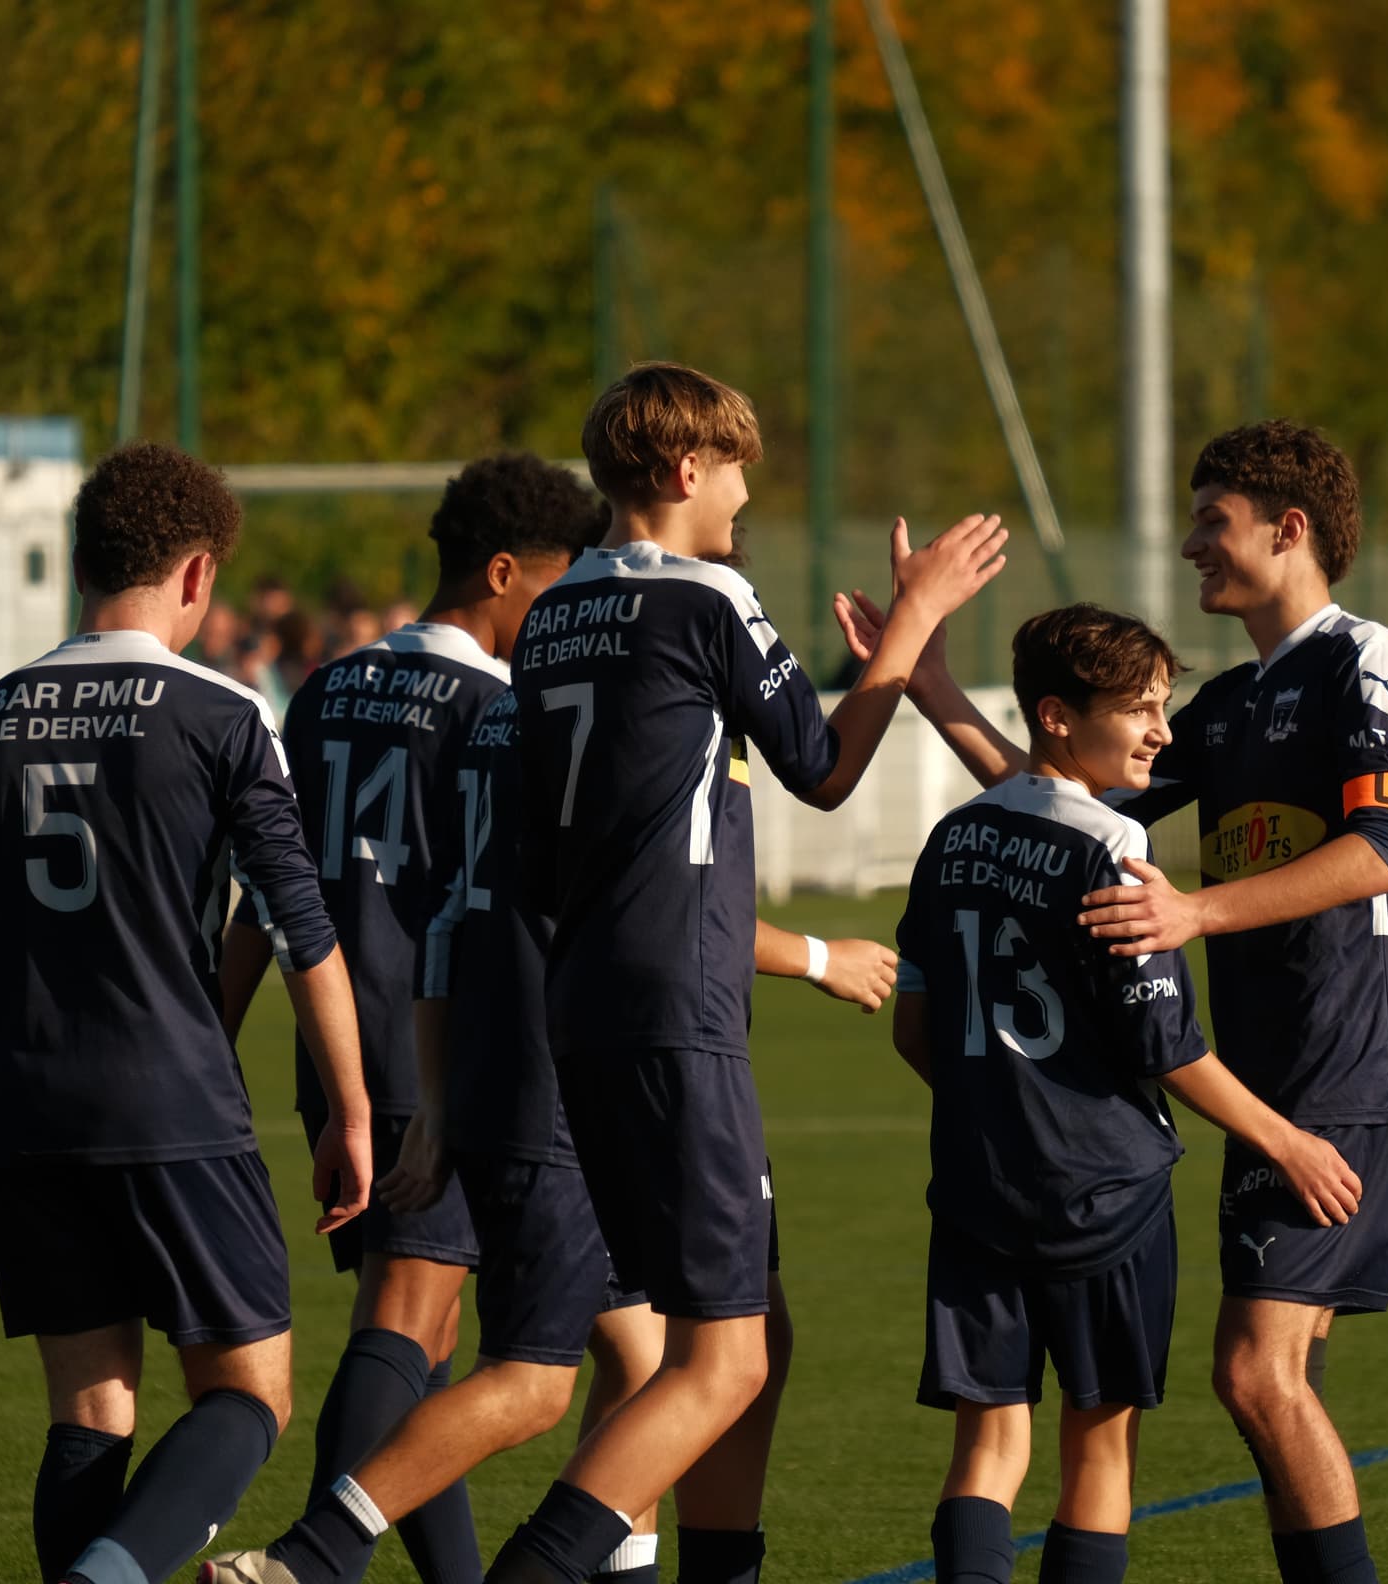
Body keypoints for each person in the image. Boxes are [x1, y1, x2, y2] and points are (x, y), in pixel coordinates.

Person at [201, 662, 899, 1584]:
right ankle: (308, 1560)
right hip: (560, 1080)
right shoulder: (558, 718)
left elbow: (421, 911)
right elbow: (664, 913)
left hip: (480, 1061)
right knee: (529, 1377)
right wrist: (817, 955)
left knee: (642, 1355)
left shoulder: (429, 708)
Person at [484, 361, 1007, 1584]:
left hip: (588, 1005)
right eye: (734, 474)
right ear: (681, 472)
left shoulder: (554, 612)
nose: (742, 501)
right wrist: (918, 617)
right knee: (724, 1357)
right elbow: (824, 767)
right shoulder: (708, 596)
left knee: (746, 1328)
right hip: (679, 1011)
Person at [900, 422, 1388, 1584]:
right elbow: (1070, 802)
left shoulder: (1365, 662)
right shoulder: (1236, 701)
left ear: (1288, 531)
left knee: (1255, 1373)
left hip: (1344, 1069)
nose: (1192, 544)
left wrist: (1197, 913)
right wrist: (934, 691)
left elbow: (1382, 848)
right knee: (1272, 1379)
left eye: (1212, 520)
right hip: (1257, 1071)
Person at [0, 442, 373, 1584]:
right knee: (251, 1396)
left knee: (93, 1408)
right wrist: (351, 1109)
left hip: (29, 1115)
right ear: (199, 575)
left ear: (78, 564)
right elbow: (302, 931)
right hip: (176, 1107)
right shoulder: (223, 715)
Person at [222, 452, 611, 1584]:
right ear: (501, 573)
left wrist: (222, 1018)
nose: (562, 620)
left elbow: (269, 885)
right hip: (439, 1040)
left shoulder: (328, 689)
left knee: (427, 1343)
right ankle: (306, 1567)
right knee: (406, 1322)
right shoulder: (499, 711)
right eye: (554, 591)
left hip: (330, 1041)